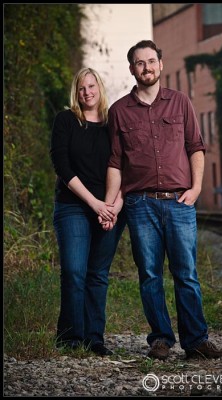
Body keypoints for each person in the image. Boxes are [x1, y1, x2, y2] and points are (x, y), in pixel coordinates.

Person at [102, 40, 222, 360]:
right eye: (139, 63)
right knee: (149, 274)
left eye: (151, 61)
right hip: (139, 205)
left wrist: (197, 188)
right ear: (132, 69)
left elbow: (196, 148)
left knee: (186, 272)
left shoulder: (181, 102)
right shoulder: (118, 111)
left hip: (179, 203)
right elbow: (115, 163)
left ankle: (196, 340)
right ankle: (160, 339)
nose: (146, 68)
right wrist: (108, 205)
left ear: (160, 64)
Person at [50, 67, 126, 356]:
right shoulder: (66, 120)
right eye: (82, 88)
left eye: (92, 86)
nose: (87, 92)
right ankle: (70, 337)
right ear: (76, 92)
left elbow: (127, 167)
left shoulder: (113, 124)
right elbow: (62, 165)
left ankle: (95, 338)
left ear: (99, 88)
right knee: (74, 271)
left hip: (110, 208)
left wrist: (113, 208)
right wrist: (95, 204)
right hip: (73, 207)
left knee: (97, 274)